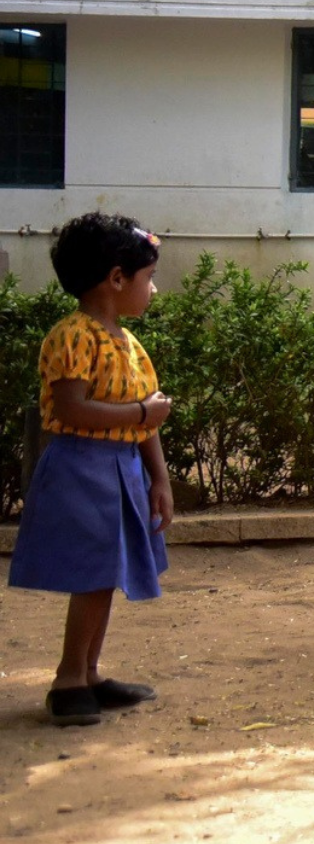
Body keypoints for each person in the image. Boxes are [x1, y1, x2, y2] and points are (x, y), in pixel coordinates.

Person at [12, 214, 172, 727]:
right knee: (92, 574)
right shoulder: (72, 336)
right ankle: (67, 680)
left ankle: (89, 672)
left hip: (123, 469)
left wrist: (160, 479)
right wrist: (141, 416)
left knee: (107, 575)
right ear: (117, 279)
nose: (153, 289)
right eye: (148, 277)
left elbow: (149, 417)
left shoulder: (129, 344)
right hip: (82, 468)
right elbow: (71, 410)